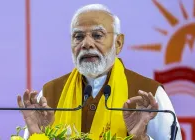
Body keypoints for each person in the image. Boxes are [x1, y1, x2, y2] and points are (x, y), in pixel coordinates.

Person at [17, 4, 182, 140]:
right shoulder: (49, 94)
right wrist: (36, 133)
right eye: (78, 36)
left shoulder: (149, 94)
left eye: (97, 35)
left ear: (118, 43)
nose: (87, 44)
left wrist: (139, 137)